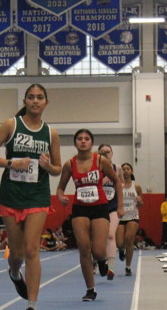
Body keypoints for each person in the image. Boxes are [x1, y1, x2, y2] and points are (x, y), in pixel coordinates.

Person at [0, 82, 62, 310]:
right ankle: (15, 273)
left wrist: (48, 167)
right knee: (16, 254)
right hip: (12, 195)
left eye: (40, 97)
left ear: (46, 102)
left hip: (37, 195)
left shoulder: (51, 133)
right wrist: (10, 163)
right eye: (31, 97)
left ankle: (32, 309)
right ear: (25, 101)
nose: (35, 101)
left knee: (32, 250)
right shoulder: (11, 125)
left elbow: (58, 169)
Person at [56, 129, 121, 301]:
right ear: (75, 142)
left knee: (98, 251)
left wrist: (120, 206)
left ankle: (101, 260)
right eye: (79, 139)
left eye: (86, 139)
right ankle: (90, 289)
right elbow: (60, 187)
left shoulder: (100, 161)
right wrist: (61, 197)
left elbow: (116, 181)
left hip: (100, 207)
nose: (83, 141)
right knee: (84, 249)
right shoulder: (70, 164)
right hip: (80, 208)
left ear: (91, 143)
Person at [117, 162, 143, 276]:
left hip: (133, 215)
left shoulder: (136, 186)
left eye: (128, 169)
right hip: (120, 217)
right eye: (123, 169)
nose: (126, 171)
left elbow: (141, 203)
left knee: (129, 239)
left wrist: (139, 201)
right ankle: (121, 250)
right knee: (119, 243)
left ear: (131, 171)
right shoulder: (118, 185)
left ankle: (128, 267)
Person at [98, 144, 119, 278]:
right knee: (97, 237)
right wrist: (104, 180)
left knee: (111, 235)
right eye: (103, 152)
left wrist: (121, 205)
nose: (106, 154)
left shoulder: (117, 168)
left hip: (113, 206)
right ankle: (98, 261)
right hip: (98, 206)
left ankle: (111, 267)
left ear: (112, 153)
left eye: (108, 151)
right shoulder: (95, 167)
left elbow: (120, 185)